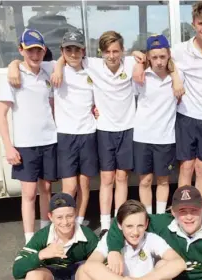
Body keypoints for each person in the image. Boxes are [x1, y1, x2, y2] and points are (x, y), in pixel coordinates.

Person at [133, 1, 202, 201]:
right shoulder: (179, 49)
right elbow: (152, 54)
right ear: (193, 24)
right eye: (201, 23)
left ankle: (199, 208)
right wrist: (140, 63)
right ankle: (184, 205)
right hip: (186, 116)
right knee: (186, 166)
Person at [53, 31, 144, 238]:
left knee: (122, 178)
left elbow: (145, 56)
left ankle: (119, 222)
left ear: (123, 51)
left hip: (127, 128)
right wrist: (59, 65)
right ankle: (105, 224)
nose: (112, 56)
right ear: (100, 53)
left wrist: (140, 58)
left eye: (116, 51)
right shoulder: (92, 65)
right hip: (103, 129)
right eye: (107, 51)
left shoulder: (130, 63)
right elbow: (68, 56)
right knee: (106, 178)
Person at [8, 30, 99, 226]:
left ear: (83, 50)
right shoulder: (51, 67)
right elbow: (20, 61)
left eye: (77, 49)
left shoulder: (92, 68)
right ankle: (64, 224)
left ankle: (79, 222)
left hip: (89, 133)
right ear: (61, 51)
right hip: (65, 135)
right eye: (68, 49)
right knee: (70, 185)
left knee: (84, 183)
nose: (73, 54)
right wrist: (13, 66)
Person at [0, 29, 57, 243]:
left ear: (44, 51)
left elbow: (51, 105)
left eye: (38, 50)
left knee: (47, 189)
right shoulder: (15, 75)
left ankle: (46, 234)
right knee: (29, 193)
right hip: (26, 145)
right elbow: (1, 114)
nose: (34, 55)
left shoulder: (48, 71)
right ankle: (30, 241)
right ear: (21, 50)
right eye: (29, 50)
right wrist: (9, 147)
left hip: (49, 141)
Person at [83, 200, 186, 280]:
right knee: (101, 279)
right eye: (129, 226)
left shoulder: (151, 238)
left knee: (163, 264)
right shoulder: (109, 239)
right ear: (119, 224)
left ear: (146, 224)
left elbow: (179, 263)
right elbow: (90, 266)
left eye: (140, 226)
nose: (135, 232)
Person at [12, 193, 99, 280]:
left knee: (88, 270)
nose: (65, 222)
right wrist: (41, 254)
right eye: (59, 217)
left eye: (69, 216)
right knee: (33, 275)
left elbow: (105, 265)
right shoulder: (42, 236)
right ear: (50, 217)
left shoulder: (87, 235)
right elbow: (17, 271)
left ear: (75, 213)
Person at [133, 34, 179, 214]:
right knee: (144, 181)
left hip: (165, 137)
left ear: (169, 55)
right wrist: (138, 60)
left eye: (162, 56)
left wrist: (175, 76)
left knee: (163, 181)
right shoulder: (140, 75)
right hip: (143, 136)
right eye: (154, 57)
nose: (159, 61)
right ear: (148, 57)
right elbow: (118, 58)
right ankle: (147, 217)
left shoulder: (177, 75)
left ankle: (159, 217)